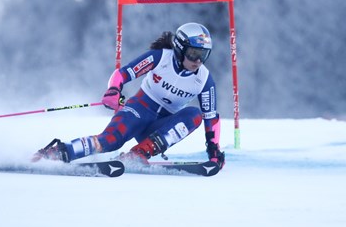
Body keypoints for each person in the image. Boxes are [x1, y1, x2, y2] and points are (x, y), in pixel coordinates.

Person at [32, 22, 225, 171]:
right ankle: (57, 152)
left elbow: (211, 118)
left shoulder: (204, 79)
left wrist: (214, 150)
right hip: (140, 109)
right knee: (109, 141)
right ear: (180, 48)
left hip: (160, 129)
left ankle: (138, 154)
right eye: (193, 53)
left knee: (194, 115)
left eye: (204, 55)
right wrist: (113, 90)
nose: (198, 61)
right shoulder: (161, 57)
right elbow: (122, 74)